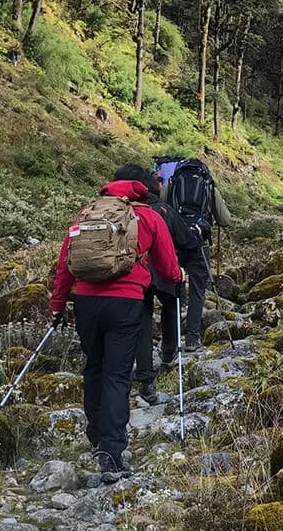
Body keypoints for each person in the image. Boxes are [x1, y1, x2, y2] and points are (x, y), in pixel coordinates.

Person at [50, 177, 183, 482]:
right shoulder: (147, 215)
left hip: (85, 302)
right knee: (117, 375)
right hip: (125, 303)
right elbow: (166, 266)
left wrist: (58, 304)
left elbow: (65, 263)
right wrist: (178, 276)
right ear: (141, 194)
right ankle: (111, 453)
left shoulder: (87, 213)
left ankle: (96, 438)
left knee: (94, 368)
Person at [110, 164, 199, 402]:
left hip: (126, 277)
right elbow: (188, 241)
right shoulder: (161, 211)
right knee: (171, 304)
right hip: (160, 272)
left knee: (143, 320)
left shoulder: (111, 211)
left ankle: (144, 377)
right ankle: (169, 353)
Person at [153, 157, 233, 351]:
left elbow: (161, 209)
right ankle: (192, 339)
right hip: (200, 242)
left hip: (175, 243)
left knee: (173, 289)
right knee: (197, 291)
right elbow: (225, 219)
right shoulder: (209, 186)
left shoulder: (172, 184)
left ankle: (170, 342)